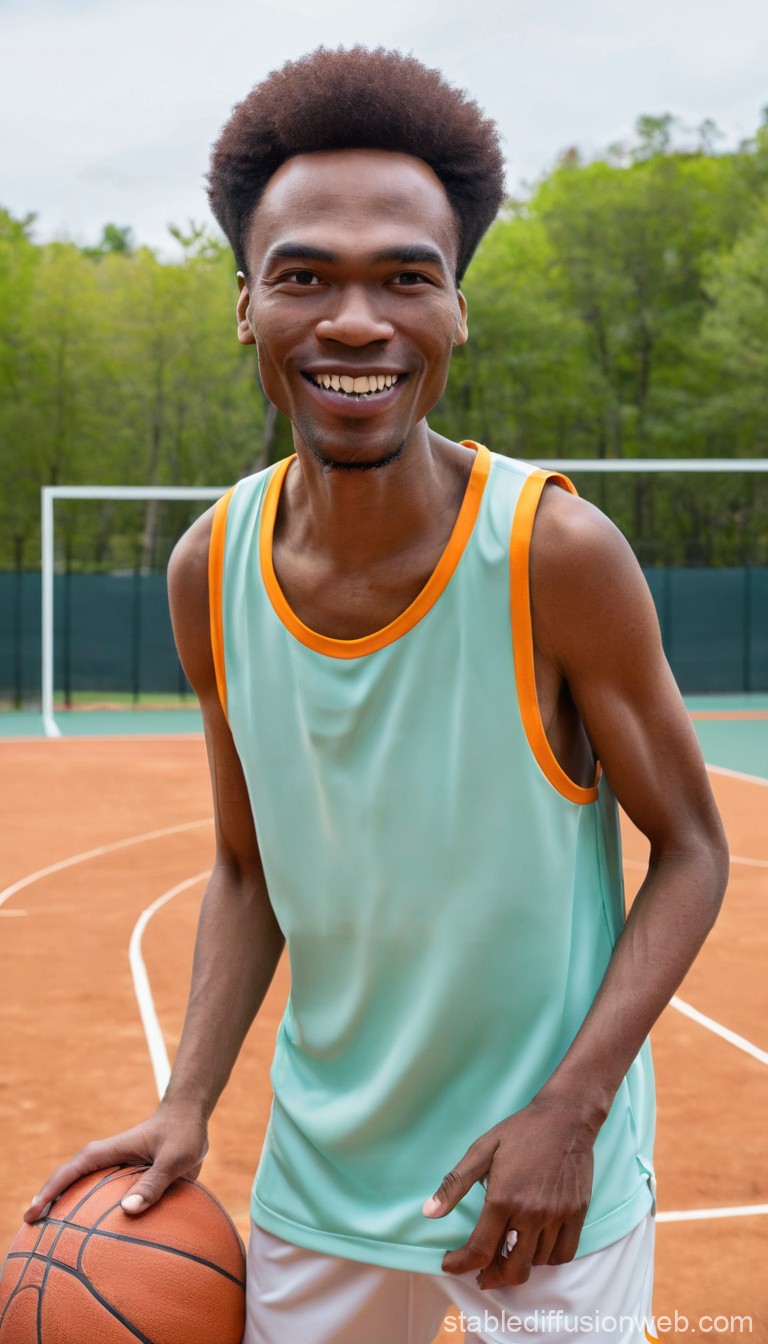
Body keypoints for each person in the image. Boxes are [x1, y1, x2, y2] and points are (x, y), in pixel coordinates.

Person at [26, 47, 729, 1344]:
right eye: (306, 277)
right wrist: (187, 1101)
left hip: (541, 1180)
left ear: (458, 309)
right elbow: (247, 872)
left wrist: (570, 1114)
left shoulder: (552, 556)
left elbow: (692, 852)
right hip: (322, 1182)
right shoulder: (208, 572)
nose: (357, 321)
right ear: (247, 304)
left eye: (407, 277)